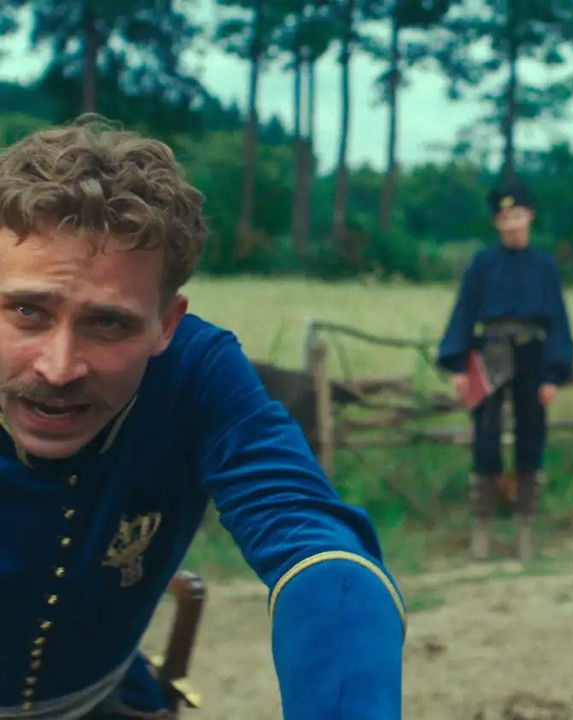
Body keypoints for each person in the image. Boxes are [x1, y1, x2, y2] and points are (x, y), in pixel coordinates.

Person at [0, 118, 404, 719]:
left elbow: (315, 545)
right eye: (28, 312)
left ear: (167, 323)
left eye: (108, 323)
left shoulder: (197, 372)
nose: (59, 369)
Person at [437, 181, 573, 562]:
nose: (511, 223)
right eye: (504, 217)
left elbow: (558, 320)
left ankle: (524, 529)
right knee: (486, 438)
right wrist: (458, 365)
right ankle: (482, 529)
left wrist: (553, 374)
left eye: (517, 215)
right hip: (490, 353)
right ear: (496, 222)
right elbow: (464, 311)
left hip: (532, 354)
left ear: (529, 217)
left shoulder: (544, 266)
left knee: (531, 438)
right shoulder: (482, 263)